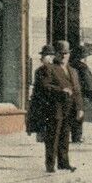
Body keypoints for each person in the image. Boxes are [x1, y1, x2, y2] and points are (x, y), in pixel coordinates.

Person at [31, 43, 77, 173]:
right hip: (53, 108)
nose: (49, 58)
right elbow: (45, 86)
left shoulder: (66, 68)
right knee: (53, 137)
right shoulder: (47, 69)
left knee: (64, 136)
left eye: (66, 53)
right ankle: (50, 165)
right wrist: (61, 90)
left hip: (66, 108)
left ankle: (63, 163)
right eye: (47, 56)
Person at [69, 46, 92, 142]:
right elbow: (87, 81)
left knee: (73, 114)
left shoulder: (70, 65)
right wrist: (91, 92)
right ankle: (77, 137)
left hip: (72, 94)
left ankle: (75, 136)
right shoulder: (83, 67)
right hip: (82, 94)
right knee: (79, 115)